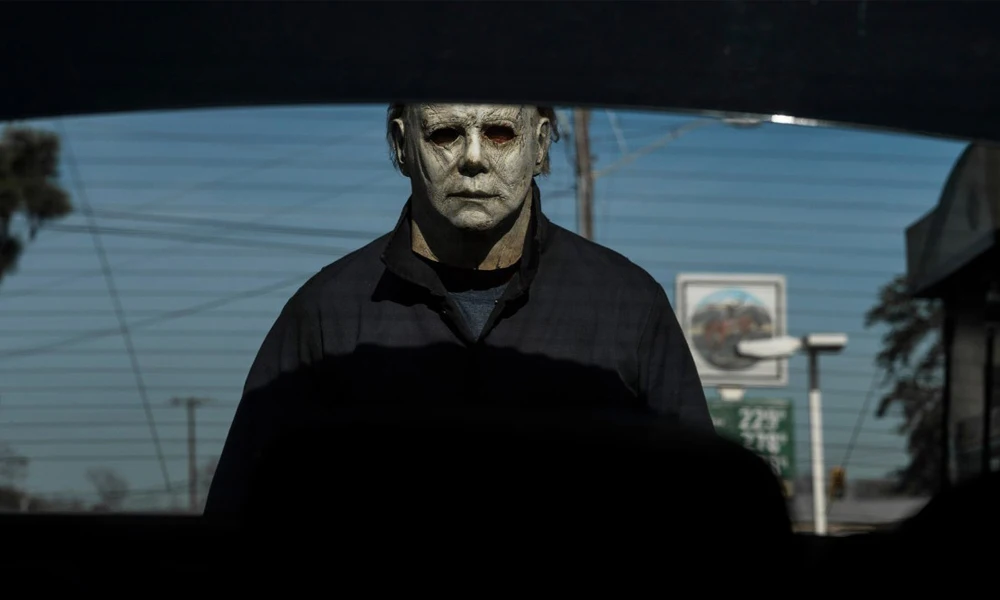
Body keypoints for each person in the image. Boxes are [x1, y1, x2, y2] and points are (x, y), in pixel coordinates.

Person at [205, 104, 712, 514]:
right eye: (445, 134)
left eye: (499, 133)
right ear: (402, 146)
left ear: (539, 144)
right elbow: (240, 512)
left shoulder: (627, 306)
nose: (473, 158)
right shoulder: (326, 314)